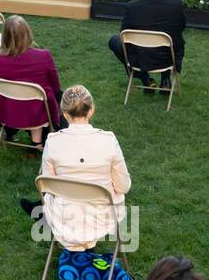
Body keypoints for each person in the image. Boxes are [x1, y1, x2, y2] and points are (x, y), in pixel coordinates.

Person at [21, 85, 129, 251]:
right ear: (91, 110)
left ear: (64, 114)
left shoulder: (53, 141)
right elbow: (123, 186)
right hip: (103, 217)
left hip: (65, 217)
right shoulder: (108, 140)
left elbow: (47, 187)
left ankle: (43, 215)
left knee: (50, 197)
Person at [0, 14, 63, 146]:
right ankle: (38, 142)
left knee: (21, 98)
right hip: (38, 113)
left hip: (9, 111)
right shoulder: (43, 56)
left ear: (5, 36)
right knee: (58, 97)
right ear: (27, 33)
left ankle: (8, 130)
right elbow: (55, 87)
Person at [107, 0, 186, 90]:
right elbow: (182, 26)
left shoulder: (132, 8)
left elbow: (124, 35)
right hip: (169, 58)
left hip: (140, 58)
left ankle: (145, 79)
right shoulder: (175, 3)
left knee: (115, 40)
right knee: (172, 37)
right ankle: (165, 79)